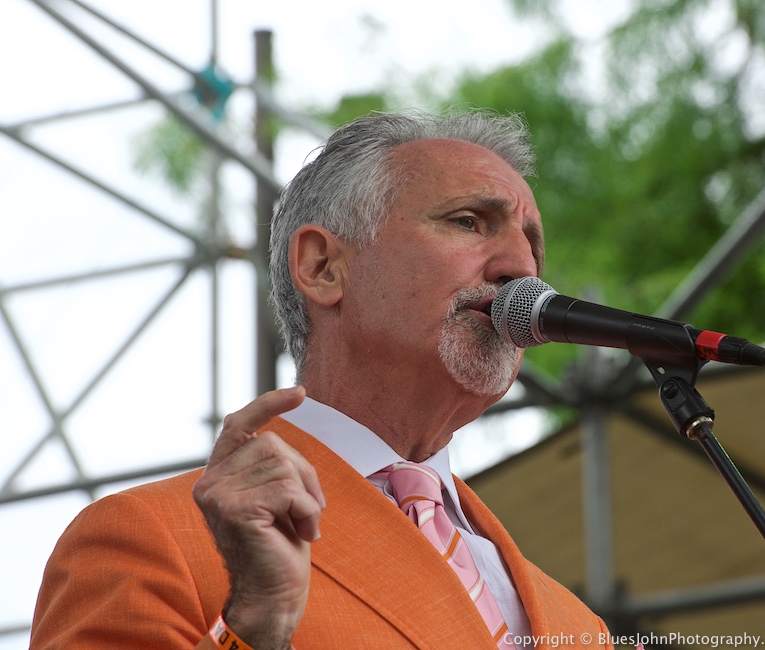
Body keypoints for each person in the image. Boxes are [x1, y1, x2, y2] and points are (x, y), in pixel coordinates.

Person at [30, 110, 613, 649]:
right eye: (468, 222)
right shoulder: (152, 539)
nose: (522, 269)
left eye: (532, 245)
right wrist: (255, 623)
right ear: (322, 267)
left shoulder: (577, 624)